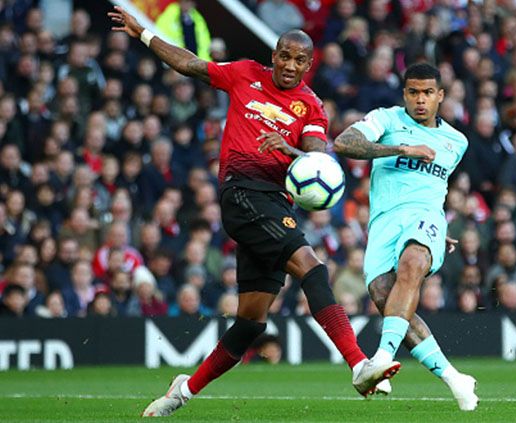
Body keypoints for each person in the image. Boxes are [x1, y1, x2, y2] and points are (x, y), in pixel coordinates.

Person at [107, 6, 391, 417]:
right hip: (242, 192)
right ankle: (358, 363)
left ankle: (181, 392)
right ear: (273, 55)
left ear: (309, 65)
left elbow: (316, 153)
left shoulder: (310, 107)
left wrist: (289, 149)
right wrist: (145, 35)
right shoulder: (244, 74)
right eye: (284, 56)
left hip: (275, 204)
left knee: (250, 323)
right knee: (312, 268)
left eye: (299, 60)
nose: (290, 66)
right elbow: (190, 64)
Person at [333, 63, 478, 411]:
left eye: (428, 93)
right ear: (404, 94)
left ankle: (381, 358)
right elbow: (344, 142)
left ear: (440, 96)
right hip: (383, 223)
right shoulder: (386, 120)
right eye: (413, 92)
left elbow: (435, 187)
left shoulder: (457, 141)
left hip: (425, 217)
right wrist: (401, 149)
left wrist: (435, 233)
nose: (420, 100)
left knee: (413, 261)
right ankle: (455, 379)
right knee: (386, 295)